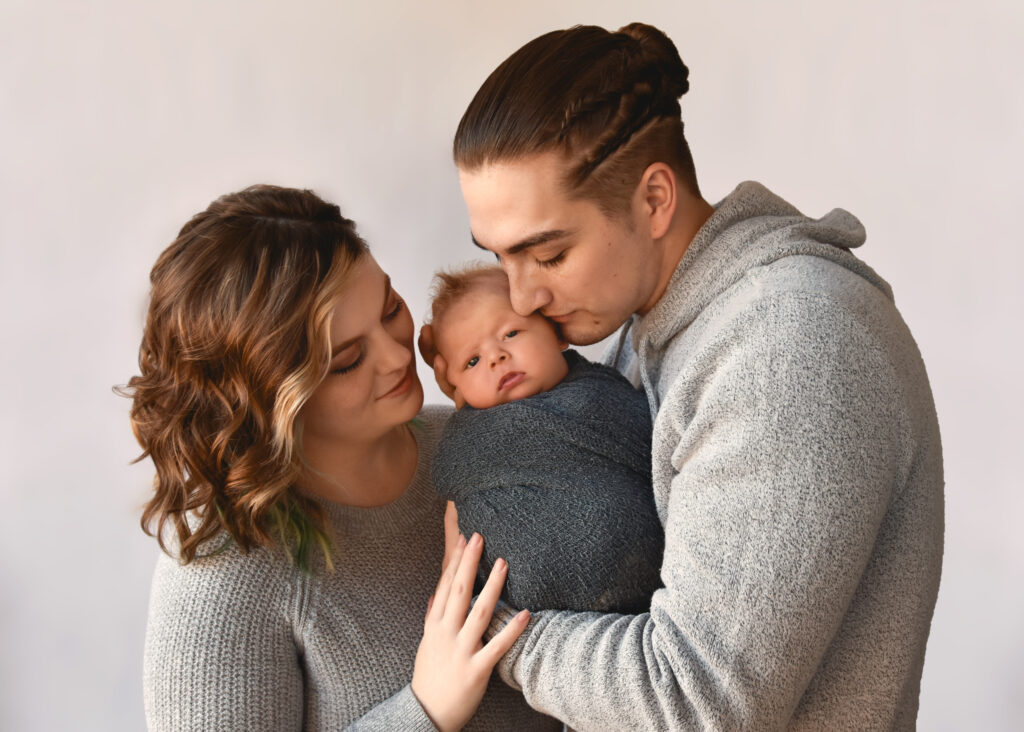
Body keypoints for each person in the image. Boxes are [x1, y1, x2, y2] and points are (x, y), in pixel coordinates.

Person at [440, 21, 945, 730]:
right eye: (500, 258)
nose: (521, 298)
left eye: (548, 256)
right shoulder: (647, 328)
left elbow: (695, 701)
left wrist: (497, 632)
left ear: (653, 199)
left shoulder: (785, 347)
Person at [125, 185, 560, 731]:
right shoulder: (223, 570)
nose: (401, 355)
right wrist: (426, 709)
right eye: (349, 359)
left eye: (391, 308)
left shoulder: (481, 438)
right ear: (270, 400)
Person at [421, 263, 662, 613]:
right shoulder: (464, 441)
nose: (495, 357)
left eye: (511, 333)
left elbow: (651, 444)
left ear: (556, 332)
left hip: (648, 583)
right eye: (472, 361)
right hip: (529, 616)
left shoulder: (599, 391)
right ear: (454, 385)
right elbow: (449, 471)